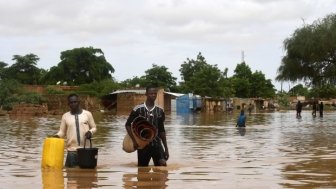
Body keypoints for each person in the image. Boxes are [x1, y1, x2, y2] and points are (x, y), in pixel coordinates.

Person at [125, 86, 169, 167]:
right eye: (151, 93)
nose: (153, 95)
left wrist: (166, 148)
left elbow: (162, 130)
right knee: (142, 171)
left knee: (162, 169)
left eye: (155, 94)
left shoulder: (160, 110)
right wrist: (134, 141)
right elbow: (127, 125)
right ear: (146, 94)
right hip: (142, 146)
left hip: (157, 144)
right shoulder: (138, 109)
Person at [54, 93, 97, 168]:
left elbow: (94, 127)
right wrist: (56, 136)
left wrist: (90, 132)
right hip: (72, 151)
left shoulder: (87, 114)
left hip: (86, 151)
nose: (73, 104)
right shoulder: (65, 116)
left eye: (75, 102)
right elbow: (62, 132)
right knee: (70, 175)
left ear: (79, 102)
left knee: (87, 177)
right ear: (68, 104)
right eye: (71, 102)